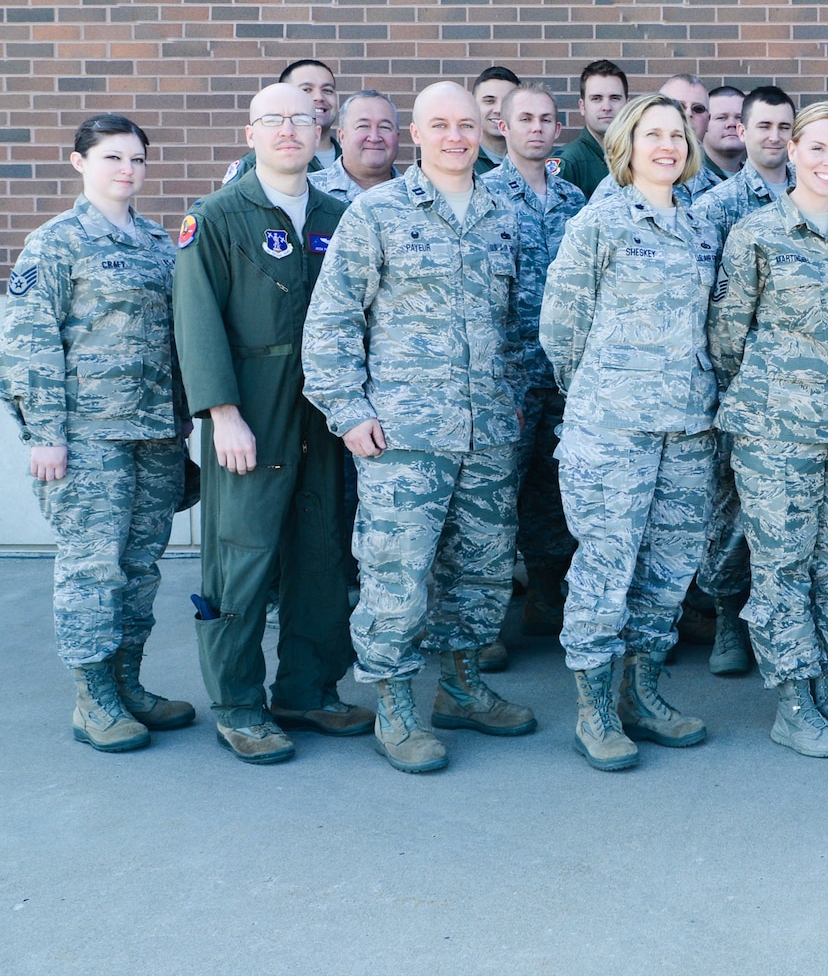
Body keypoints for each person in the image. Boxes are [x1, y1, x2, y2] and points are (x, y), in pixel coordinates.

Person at [303, 81, 535, 775]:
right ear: (416, 131)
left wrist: (515, 393)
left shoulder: (504, 212)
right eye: (441, 124)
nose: (457, 136)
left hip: (488, 428)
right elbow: (333, 318)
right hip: (404, 433)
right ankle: (395, 703)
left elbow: (518, 316)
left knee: (484, 569)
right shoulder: (377, 212)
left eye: (467, 123)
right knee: (396, 574)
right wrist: (348, 410)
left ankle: (461, 686)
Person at [174, 83, 365, 765]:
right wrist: (222, 414)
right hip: (249, 408)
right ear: (249, 132)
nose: (289, 129)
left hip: (321, 411)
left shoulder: (342, 215)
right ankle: (238, 703)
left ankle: (307, 690)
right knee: (242, 557)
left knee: (319, 554)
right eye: (273, 119)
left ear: (321, 132)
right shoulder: (218, 217)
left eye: (303, 118)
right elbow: (196, 322)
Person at [539, 94, 719, 771]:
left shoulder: (700, 226)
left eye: (677, 134)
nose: (668, 145)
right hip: (613, 427)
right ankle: (596, 708)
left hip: (687, 427)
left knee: (669, 569)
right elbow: (561, 327)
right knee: (605, 568)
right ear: (627, 144)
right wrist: (602, 388)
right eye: (654, 135)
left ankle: (643, 693)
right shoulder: (602, 221)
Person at [3, 115, 190, 754]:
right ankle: (93, 699)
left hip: (156, 435)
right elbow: (28, 346)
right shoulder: (55, 243)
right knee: (92, 568)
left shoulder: (161, 243)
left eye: (136, 159)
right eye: (113, 158)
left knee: (139, 568)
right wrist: (44, 434)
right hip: (88, 438)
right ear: (79, 163)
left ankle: (127, 684)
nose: (127, 171)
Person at [709, 102, 828, 758]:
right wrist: (761, 399)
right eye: (818, 149)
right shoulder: (757, 233)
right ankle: (792, 701)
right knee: (782, 566)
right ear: (794, 149)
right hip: (774, 430)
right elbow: (726, 336)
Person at [689, 84, 797, 676]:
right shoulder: (720, 205)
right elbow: (713, 309)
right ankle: (730, 620)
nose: (775, 137)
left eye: (785, 127)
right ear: (744, 133)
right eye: (765, 127)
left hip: (808, 394)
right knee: (732, 514)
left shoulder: (827, 196)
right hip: (744, 389)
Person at [482, 82, 587, 636]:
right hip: (510, 377)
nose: (538, 129)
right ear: (502, 124)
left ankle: (547, 596)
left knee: (556, 490)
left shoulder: (575, 201)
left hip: (564, 376)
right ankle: (490, 617)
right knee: (497, 496)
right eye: (526, 119)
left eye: (547, 119)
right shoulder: (484, 196)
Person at [223, 58, 339, 182]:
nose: (319, 97)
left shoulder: (353, 159)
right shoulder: (251, 166)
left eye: (327, 90)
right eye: (306, 90)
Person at [553, 59, 629, 200]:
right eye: (596, 98)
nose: (606, 107)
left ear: (627, 104)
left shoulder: (638, 157)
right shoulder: (568, 163)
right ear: (582, 106)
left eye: (615, 98)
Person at [311, 90, 400, 202]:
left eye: (384, 127)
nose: (374, 138)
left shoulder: (417, 194)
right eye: (363, 126)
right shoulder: (308, 191)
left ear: (397, 136)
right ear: (342, 136)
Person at [662, 73, 719, 200]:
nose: (688, 113)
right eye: (678, 106)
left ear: (708, 121)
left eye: (698, 109)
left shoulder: (721, 190)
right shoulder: (631, 181)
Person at [471, 65, 521, 175]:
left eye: (506, 102)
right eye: (489, 101)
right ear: (473, 105)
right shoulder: (462, 159)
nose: (498, 110)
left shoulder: (531, 160)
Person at [703, 85, 747, 178]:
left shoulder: (758, 180)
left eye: (739, 118)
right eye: (721, 118)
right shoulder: (687, 179)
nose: (731, 124)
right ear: (704, 123)